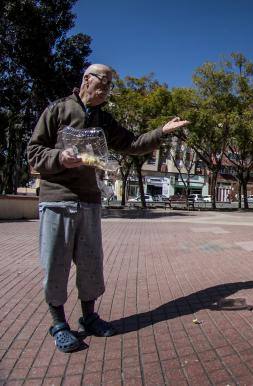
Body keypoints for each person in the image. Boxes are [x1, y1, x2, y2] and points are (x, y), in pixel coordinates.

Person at [27, 64, 189, 352]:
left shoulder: (103, 119)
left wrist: (161, 131)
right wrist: (60, 157)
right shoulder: (58, 110)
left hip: (89, 201)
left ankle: (89, 317)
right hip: (58, 200)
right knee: (56, 264)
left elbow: (132, 144)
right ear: (86, 79)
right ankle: (59, 324)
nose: (106, 89)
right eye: (102, 81)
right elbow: (34, 152)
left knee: (91, 264)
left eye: (110, 84)